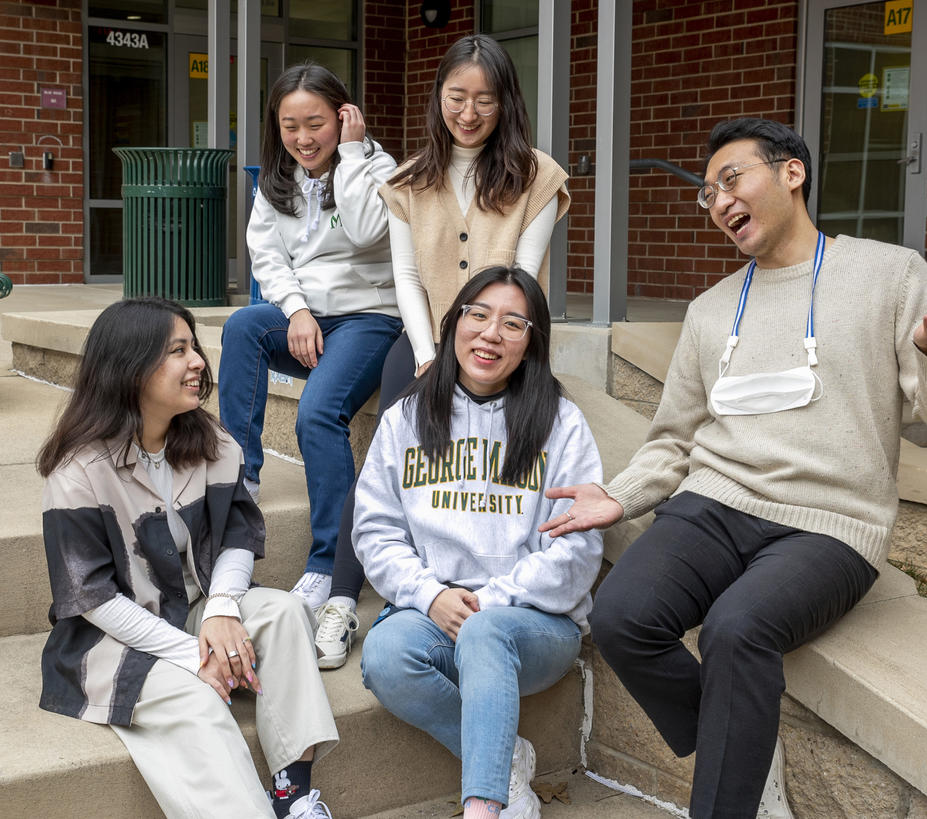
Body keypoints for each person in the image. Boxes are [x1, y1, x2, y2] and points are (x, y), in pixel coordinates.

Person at [540, 118, 927, 819]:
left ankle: (731, 788)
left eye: (732, 179)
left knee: (737, 627)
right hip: (713, 504)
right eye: (708, 193)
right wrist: (619, 495)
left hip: (831, 525)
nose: (718, 201)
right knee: (624, 616)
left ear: (791, 174)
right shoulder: (710, 309)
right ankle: (744, 743)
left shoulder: (889, 274)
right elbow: (674, 440)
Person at [314, 34, 571, 670]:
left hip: (507, 338)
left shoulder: (537, 175)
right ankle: (343, 600)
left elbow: (525, 277)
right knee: (385, 456)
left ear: (505, 102)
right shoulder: (407, 179)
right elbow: (405, 276)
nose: (468, 112)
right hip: (427, 337)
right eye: (456, 97)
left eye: (484, 99)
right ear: (438, 98)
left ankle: (497, 596)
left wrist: (495, 342)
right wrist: (430, 356)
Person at [37, 297, 338, 819]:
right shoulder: (78, 470)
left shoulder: (213, 442)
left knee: (288, 613)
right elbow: (92, 596)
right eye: (179, 350)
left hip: (195, 605)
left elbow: (239, 533)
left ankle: (293, 795)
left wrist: (221, 608)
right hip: (110, 638)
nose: (199, 360)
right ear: (130, 366)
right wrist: (192, 653)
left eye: (193, 346)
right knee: (198, 700)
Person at [355, 268, 603, 819]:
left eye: (514, 323)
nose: (492, 334)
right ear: (454, 325)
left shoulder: (561, 424)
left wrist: (491, 602)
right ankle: (504, 756)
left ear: (531, 342)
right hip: (435, 611)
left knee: (487, 631)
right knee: (385, 656)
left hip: (532, 626)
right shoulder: (406, 418)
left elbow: (578, 549)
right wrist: (428, 595)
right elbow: (375, 531)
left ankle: (483, 806)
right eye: (479, 315)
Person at [218, 61, 403, 614]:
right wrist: (295, 310)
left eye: (316, 123)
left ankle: (327, 563)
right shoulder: (277, 182)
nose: (303, 138)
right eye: (289, 125)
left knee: (317, 414)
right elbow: (268, 258)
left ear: (344, 116)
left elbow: (369, 230)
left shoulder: (377, 167)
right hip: (310, 322)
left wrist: (350, 154)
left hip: (371, 320)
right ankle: (242, 478)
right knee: (243, 326)